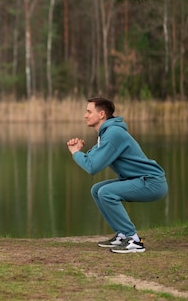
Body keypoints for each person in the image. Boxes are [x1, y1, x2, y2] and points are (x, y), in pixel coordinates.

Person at [66, 97, 168, 254]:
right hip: (140, 180)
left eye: (88, 111)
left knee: (106, 192)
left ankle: (134, 240)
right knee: (97, 189)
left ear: (101, 114)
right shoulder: (107, 133)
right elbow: (92, 159)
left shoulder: (113, 134)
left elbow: (92, 167)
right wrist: (79, 150)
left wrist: (75, 153)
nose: (85, 115)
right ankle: (122, 235)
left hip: (152, 182)